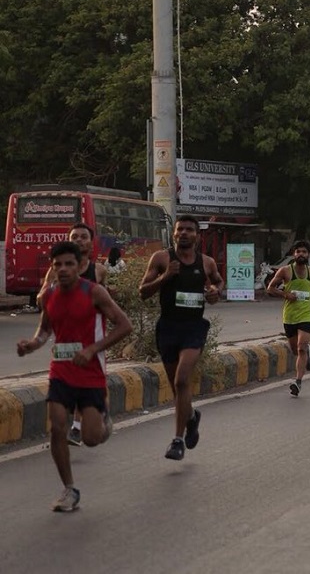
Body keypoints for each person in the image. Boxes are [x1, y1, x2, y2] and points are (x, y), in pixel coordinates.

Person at [17, 241, 133, 512]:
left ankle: (103, 420)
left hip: (90, 374)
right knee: (58, 426)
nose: (64, 269)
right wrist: (31, 345)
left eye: (69, 264)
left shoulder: (95, 292)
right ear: (52, 268)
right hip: (60, 370)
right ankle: (69, 488)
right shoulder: (50, 296)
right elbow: (45, 331)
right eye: (58, 265)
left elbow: (124, 325)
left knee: (91, 439)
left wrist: (93, 348)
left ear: (80, 266)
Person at [139, 215, 223, 461]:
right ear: (174, 234)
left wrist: (215, 292)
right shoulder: (162, 259)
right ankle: (191, 417)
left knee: (181, 380)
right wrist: (165, 277)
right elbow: (142, 292)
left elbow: (218, 282)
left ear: (197, 235)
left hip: (194, 327)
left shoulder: (206, 263)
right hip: (168, 327)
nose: (184, 233)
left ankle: (177, 441)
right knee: (179, 390)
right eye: (180, 230)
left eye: (189, 230)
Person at [38, 223, 110, 447]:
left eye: (83, 237)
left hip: (92, 341)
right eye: (74, 236)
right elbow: (43, 297)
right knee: (69, 379)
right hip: (66, 340)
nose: (79, 240)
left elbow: (106, 301)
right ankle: (79, 424)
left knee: (86, 380)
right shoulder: (56, 269)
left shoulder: (99, 271)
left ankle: (84, 423)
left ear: (91, 242)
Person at [266, 240, 310, 397]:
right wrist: (285, 294)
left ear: (308, 255)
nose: (301, 254)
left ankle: (298, 382)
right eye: (298, 252)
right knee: (296, 350)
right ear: (294, 254)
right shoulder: (285, 271)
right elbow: (270, 288)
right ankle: (307, 352)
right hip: (290, 316)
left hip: (306, 314)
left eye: (304, 252)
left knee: (300, 347)